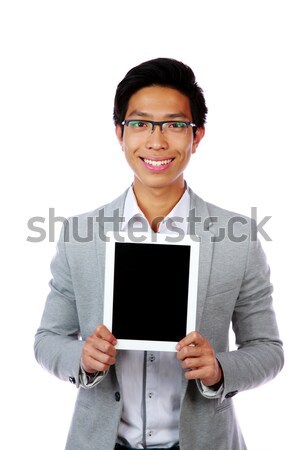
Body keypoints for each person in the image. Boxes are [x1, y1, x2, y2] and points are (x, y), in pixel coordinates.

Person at [34, 57, 284, 450]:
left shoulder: (237, 238)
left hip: (203, 440)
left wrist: (219, 369)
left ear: (196, 135)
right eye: (140, 123)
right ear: (119, 133)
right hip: (101, 439)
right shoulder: (80, 235)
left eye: (174, 124)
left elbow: (268, 350)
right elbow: (48, 338)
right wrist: (82, 357)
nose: (156, 141)